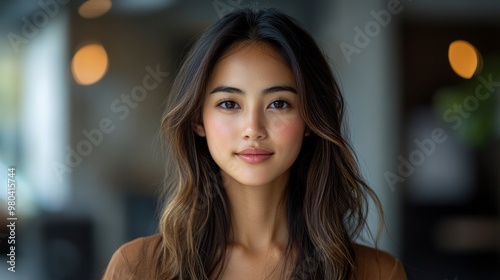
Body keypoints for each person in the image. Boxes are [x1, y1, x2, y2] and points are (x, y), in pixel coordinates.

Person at [102, 8, 407, 280]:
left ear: (310, 120)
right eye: (229, 104)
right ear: (198, 120)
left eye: (278, 103)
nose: (253, 129)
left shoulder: (377, 273)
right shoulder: (137, 269)